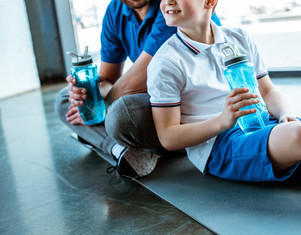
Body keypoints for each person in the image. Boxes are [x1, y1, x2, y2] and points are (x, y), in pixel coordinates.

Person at [147, 0, 301, 199]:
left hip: (264, 124)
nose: (167, 1)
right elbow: (168, 137)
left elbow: (267, 90)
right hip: (219, 146)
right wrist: (223, 120)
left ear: (210, 1)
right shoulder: (165, 62)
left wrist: (285, 114)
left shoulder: (238, 37)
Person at [54, 0, 221, 178]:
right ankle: (120, 149)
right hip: (158, 100)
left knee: (121, 114)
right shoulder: (115, 10)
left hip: (190, 106)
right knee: (65, 99)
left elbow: (132, 84)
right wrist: (87, 95)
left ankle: (171, 143)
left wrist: (96, 109)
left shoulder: (173, 7)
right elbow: (109, 79)